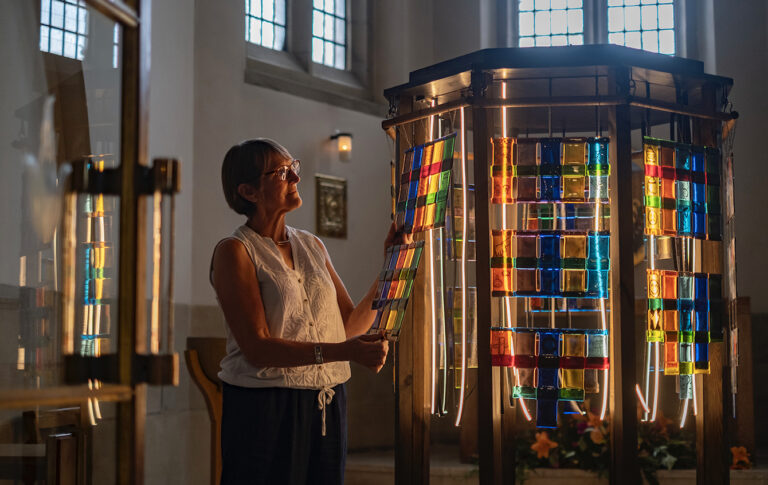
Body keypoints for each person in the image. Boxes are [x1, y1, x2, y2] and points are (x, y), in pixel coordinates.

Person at [210, 138, 406, 485]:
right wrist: (345, 352)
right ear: (248, 191)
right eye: (282, 172)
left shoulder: (312, 245)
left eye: (294, 168)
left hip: (327, 402)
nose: (296, 179)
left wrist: (390, 265)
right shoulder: (236, 251)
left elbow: (348, 326)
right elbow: (257, 347)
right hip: (265, 406)